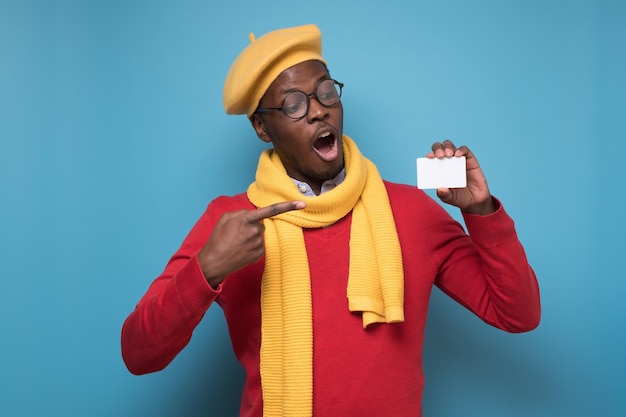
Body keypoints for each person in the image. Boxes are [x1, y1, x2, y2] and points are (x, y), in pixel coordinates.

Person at [121, 24, 541, 417]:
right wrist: (206, 270)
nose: (319, 111)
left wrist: (480, 212)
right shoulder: (233, 223)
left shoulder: (411, 212)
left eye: (325, 91)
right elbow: (139, 354)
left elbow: (517, 315)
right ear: (262, 128)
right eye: (293, 104)